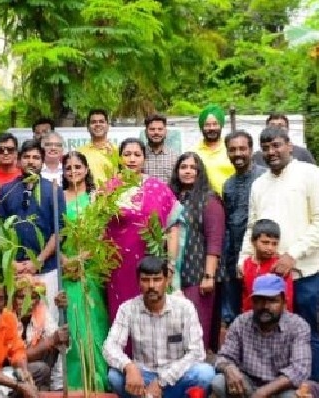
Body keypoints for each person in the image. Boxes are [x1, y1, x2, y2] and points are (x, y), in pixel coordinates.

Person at [238, 126, 319, 380]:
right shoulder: (259, 184)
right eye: (266, 147)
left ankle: (310, 387)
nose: (271, 152)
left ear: (289, 145)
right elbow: (252, 225)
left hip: (303, 273)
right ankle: (278, 386)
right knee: (272, 334)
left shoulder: (310, 174)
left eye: (276, 145)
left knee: (308, 333)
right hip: (266, 277)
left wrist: (292, 255)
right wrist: (244, 257)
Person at [104, 256, 215, 398]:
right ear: (138, 282)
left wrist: (162, 381)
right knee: (115, 376)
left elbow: (197, 353)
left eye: (157, 279)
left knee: (205, 374)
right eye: (145, 280)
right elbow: (110, 346)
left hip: (175, 379)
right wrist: (129, 366)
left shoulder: (184, 308)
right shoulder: (127, 309)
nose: (151, 286)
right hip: (144, 379)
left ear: (166, 281)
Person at [106, 138, 182, 322]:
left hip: (152, 264)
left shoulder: (159, 188)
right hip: (117, 267)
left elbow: (174, 227)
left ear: (144, 159)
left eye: (137, 155)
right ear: (119, 159)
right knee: (121, 314)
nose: (132, 159)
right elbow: (99, 230)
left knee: (152, 313)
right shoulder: (108, 190)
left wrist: (170, 265)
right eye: (127, 154)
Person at [0, 139, 66, 321]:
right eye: (26, 157)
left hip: (46, 268)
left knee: (48, 320)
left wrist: (38, 261)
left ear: (42, 162)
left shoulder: (53, 190)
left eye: (36, 157)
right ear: (19, 161)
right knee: (15, 321)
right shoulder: (6, 191)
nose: (31, 161)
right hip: (14, 268)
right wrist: (11, 263)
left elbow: (60, 231)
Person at [212, 274, 312, 397]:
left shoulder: (298, 326)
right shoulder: (241, 322)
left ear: (284, 302)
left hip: (280, 388)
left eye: (272, 301)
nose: (265, 306)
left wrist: (263, 392)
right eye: (259, 300)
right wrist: (229, 369)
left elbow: (300, 370)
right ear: (253, 302)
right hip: (247, 384)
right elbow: (223, 357)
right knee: (219, 382)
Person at [60, 150, 109, 391]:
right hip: (66, 272)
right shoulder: (58, 198)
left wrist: (79, 260)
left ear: (86, 169)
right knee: (73, 326)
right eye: (68, 168)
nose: (73, 172)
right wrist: (64, 261)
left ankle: (98, 382)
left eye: (78, 167)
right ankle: (76, 385)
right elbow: (52, 235)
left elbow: (101, 236)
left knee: (94, 326)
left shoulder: (94, 199)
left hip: (89, 270)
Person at [169, 152, 225, 351]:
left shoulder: (209, 200)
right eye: (183, 167)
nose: (188, 171)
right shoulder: (171, 198)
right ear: (177, 171)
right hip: (173, 275)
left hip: (198, 274)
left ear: (200, 172)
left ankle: (198, 376)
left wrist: (208, 275)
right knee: (174, 329)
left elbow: (215, 240)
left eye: (193, 168)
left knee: (196, 328)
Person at [221, 131, 266, 325]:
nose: (238, 154)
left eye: (242, 149)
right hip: (234, 254)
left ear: (251, 150)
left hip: (260, 252)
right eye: (232, 150)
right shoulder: (228, 184)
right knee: (236, 312)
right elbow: (230, 221)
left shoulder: (264, 177)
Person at [12, 275, 69, 391]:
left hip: (35, 365)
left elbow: (60, 340)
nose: (27, 303)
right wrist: (50, 341)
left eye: (32, 297)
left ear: (38, 300)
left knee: (54, 347)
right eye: (21, 297)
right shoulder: (5, 317)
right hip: (12, 368)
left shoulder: (41, 311)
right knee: (41, 368)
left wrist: (66, 313)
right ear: (13, 299)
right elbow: (14, 357)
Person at [241, 219, 294, 313]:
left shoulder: (279, 266)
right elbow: (246, 296)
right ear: (253, 241)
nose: (270, 248)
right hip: (251, 317)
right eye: (265, 242)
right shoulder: (246, 264)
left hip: (274, 317)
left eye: (274, 244)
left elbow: (287, 299)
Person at [191, 104, 234, 195]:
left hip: (232, 201)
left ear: (221, 125)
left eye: (215, 124)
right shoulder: (194, 152)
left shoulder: (231, 148)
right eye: (207, 125)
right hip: (206, 203)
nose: (211, 128)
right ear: (201, 127)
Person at [78, 109, 117, 185]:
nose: (97, 124)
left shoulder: (117, 151)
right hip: (86, 196)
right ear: (87, 127)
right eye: (93, 122)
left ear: (108, 126)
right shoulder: (79, 153)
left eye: (101, 121)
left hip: (112, 195)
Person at [142, 113, 179, 183]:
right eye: (152, 129)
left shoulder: (175, 158)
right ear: (146, 132)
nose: (156, 132)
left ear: (165, 132)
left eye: (160, 129)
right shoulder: (139, 156)